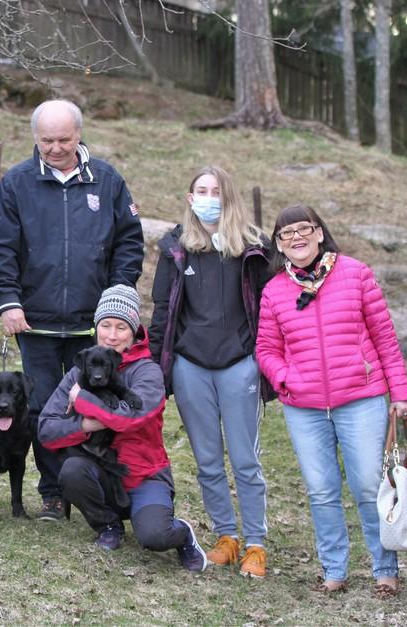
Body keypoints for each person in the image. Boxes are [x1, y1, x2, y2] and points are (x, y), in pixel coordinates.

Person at [0, 99, 144, 520]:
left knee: (96, 404)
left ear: (79, 135)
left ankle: (93, 485)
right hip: (34, 321)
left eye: (63, 140)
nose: (55, 148)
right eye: (46, 141)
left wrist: (116, 297)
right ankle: (53, 492)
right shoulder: (16, 183)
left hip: (91, 326)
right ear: (35, 138)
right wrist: (8, 300)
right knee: (42, 408)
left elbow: (130, 242)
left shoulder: (107, 181)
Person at [255, 205, 407, 598]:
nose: (296, 237)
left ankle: (385, 570)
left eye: (303, 229)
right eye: (286, 233)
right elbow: (266, 349)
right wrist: (285, 377)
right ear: (279, 245)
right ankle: (334, 570)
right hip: (304, 408)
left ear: (319, 233)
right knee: (321, 490)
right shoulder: (274, 290)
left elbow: (385, 338)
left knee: (367, 487)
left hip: (361, 399)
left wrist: (400, 392)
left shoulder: (356, 274)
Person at [149, 165, 272, 578]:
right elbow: (162, 311)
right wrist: (157, 370)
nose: (207, 198)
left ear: (228, 196)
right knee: (207, 460)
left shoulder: (254, 248)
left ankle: (255, 543)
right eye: (200, 191)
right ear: (189, 198)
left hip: (239, 364)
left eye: (215, 190)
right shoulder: (176, 248)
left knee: (244, 459)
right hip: (191, 366)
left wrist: (264, 360)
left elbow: (270, 307)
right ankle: (226, 536)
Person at [38, 285, 207, 571]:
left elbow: (131, 418)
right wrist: (85, 424)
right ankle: (108, 525)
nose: (112, 335)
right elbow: (46, 429)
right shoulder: (79, 371)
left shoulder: (148, 371)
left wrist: (82, 399)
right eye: (105, 325)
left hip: (144, 475)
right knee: (72, 470)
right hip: (102, 473)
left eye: (121, 327)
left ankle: (182, 534)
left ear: (134, 332)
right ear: (96, 328)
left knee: (154, 536)